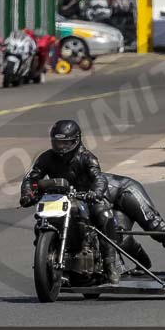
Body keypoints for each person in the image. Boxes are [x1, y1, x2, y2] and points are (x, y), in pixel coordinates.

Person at [19, 120, 120, 284]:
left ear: (75, 141)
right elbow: (31, 177)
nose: (60, 147)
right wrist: (27, 194)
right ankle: (47, 257)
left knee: (104, 215)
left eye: (64, 143)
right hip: (58, 197)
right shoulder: (46, 157)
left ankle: (110, 265)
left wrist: (95, 193)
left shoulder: (87, 157)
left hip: (86, 197)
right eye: (57, 142)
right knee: (41, 220)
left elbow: (99, 178)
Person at [104, 173, 165, 270]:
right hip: (112, 202)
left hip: (127, 191)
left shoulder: (86, 176)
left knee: (157, 227)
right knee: (119, 237)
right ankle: (143, 264)